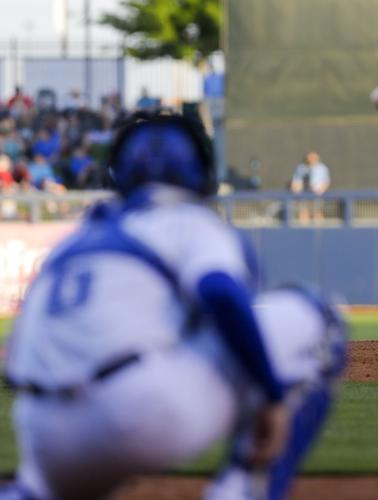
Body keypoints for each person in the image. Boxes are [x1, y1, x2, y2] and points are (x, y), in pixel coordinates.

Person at [1, 112, 347, 500]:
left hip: (43, 430)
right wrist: (270, 397)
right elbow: (221, 293)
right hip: (140, 414)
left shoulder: (74, 241)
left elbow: (16, 350)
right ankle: (239, 491)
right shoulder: (185, 218)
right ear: (201, 173)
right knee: (323, 317)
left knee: (40, 489)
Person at [290, 151, 331, 223]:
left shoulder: (322, 168)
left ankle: (320, 232)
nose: (312, 159)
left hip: (317, 195)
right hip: (303, 195)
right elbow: (296, 182)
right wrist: (297, 190)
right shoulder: (301, 168)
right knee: (303, 213)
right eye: (310, 157)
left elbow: (326, 182)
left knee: (317, 213)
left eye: (314, 157)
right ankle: (303, 232)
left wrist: (321, 190)